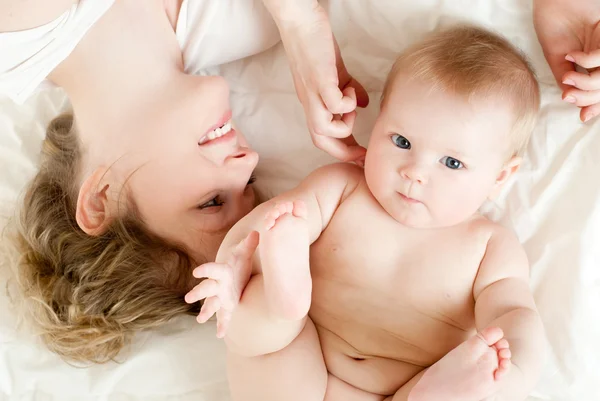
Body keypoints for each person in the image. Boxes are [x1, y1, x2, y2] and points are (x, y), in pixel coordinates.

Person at [186, 25, 545, 401]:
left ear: (500, 177)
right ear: (378, 126)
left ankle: (440, 392)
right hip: (301, 359)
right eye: (402, 142)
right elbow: (276, 219)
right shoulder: (343, 187)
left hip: (405, 387)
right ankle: (282, 298)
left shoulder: (489, 246)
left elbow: (514, 313)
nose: (415, 172)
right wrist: (238, 265)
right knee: (260, 331)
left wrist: (511, 372)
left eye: (452, 163)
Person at [0, 0, 367, 363]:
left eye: (212, 202)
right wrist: (299, 20)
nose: (248, 161)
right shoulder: (250, 22)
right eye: (250, 183)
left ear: (101, 198)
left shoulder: (19, 33)